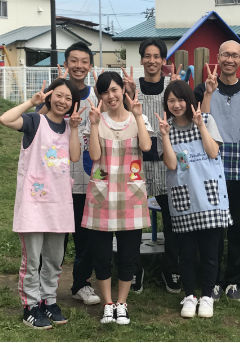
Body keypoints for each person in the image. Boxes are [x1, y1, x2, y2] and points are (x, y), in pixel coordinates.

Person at [0, 79, 83, 329]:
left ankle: (49, 300)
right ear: (49, 96)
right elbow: (5, 119)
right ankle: (30, 306)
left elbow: (75, 156)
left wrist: (76, 129)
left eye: (68, 98)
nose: (62, 101)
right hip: (33, 205)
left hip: (59, 205)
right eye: (58, 95)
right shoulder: (35, 121)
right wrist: (31, 103)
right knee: (33, 259)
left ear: (72, 104)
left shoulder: (69, 126)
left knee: (55, 259)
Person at [80, 71, 152, 325]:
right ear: (99, 95)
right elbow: (95, 155)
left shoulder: (137, 118)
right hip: (102, 195)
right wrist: (96, 124)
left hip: (130, 195)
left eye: (114, 89)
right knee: (101, 253)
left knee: (128, 253)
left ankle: (123, 303)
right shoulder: (97, 120)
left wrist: (138, 116)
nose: (110, 96)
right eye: (104, 91)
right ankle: (108, 304)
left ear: (123, 90)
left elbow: (145, 147)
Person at [156, 79, 232, 318]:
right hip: (183, 199)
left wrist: (200, 125)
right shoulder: (165, 127)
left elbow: (213, 152)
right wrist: (165, 137)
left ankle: (207, 295)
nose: (176, 105)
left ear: (189, 100)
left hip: (210, 198)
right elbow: (170, 164)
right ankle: (189, 295)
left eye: (180, 99)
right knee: (186, 253)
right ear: (166, 104)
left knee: (210, 252)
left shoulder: (206, 120)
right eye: (171, 101)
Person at [194, 40, 240, 301]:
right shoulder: (203, 88)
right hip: (210, 164)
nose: (230, 60)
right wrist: (208, 93)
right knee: (211, 227)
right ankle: (210, 280)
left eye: (235, 56)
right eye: (225, 55)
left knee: (238, 227)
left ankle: (234, 281)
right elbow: (198, 121)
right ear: (218, 57)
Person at [39, 42, 101, 305]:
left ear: (90, 65)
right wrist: (41, 102)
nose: (79, 65)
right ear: (66, 64)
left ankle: (81, 284)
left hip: (88, 179)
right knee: (55, 237)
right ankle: (46, 287)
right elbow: (37, 125)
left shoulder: (96, 96)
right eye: (73, 60)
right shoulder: (54, 93)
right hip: (56, 181)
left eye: (84, 61)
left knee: (86, 238)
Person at [123, 38, 182, 294]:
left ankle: (172, 268)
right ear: (141, 59)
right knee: (133, 221)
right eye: (147, 56)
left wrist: (180, 87)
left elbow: (184, 116)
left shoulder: (173, 86)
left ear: (163, 60)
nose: (152, 60)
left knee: (173, 221)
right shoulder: (130, 87)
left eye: (157, 56)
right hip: (136, 162)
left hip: (167, 163)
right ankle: (134, 269)